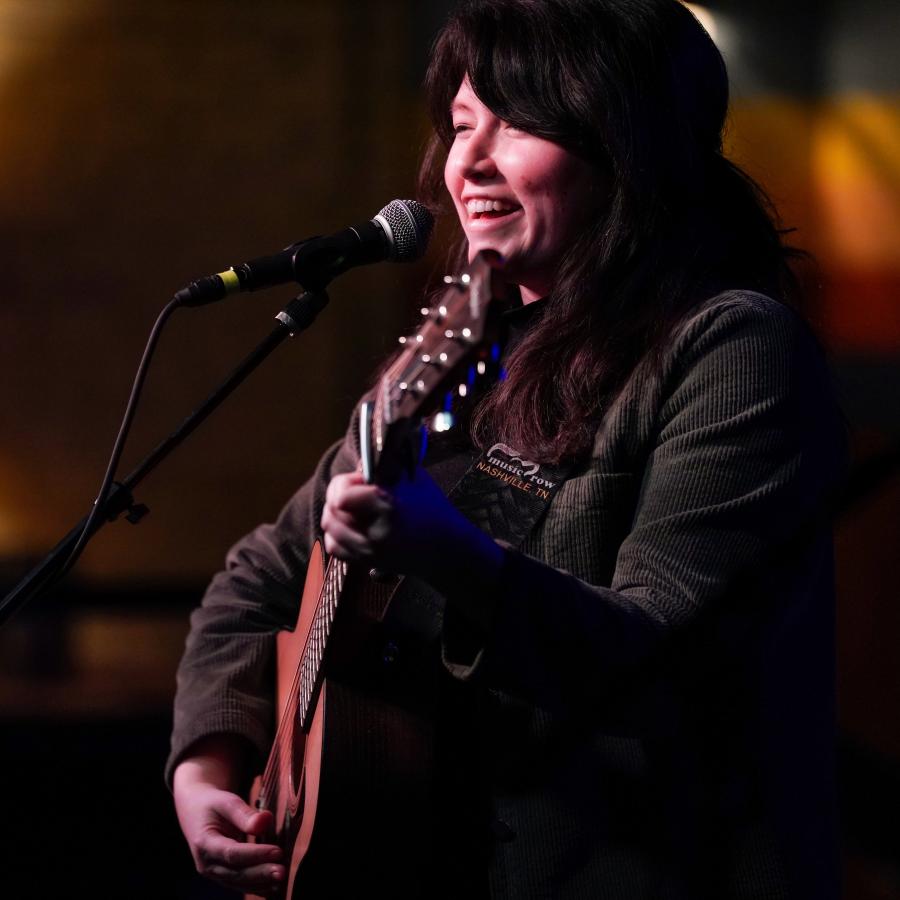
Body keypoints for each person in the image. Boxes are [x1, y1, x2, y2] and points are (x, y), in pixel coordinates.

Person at [168, 1, 845, 897]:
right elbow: (255, 580)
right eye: (460, 126)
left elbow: (671, 660)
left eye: (518, 121)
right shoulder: (460, 360)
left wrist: (449, 554)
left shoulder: (730, 347)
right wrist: (206, 769)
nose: (468, 163)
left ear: (628, 145)